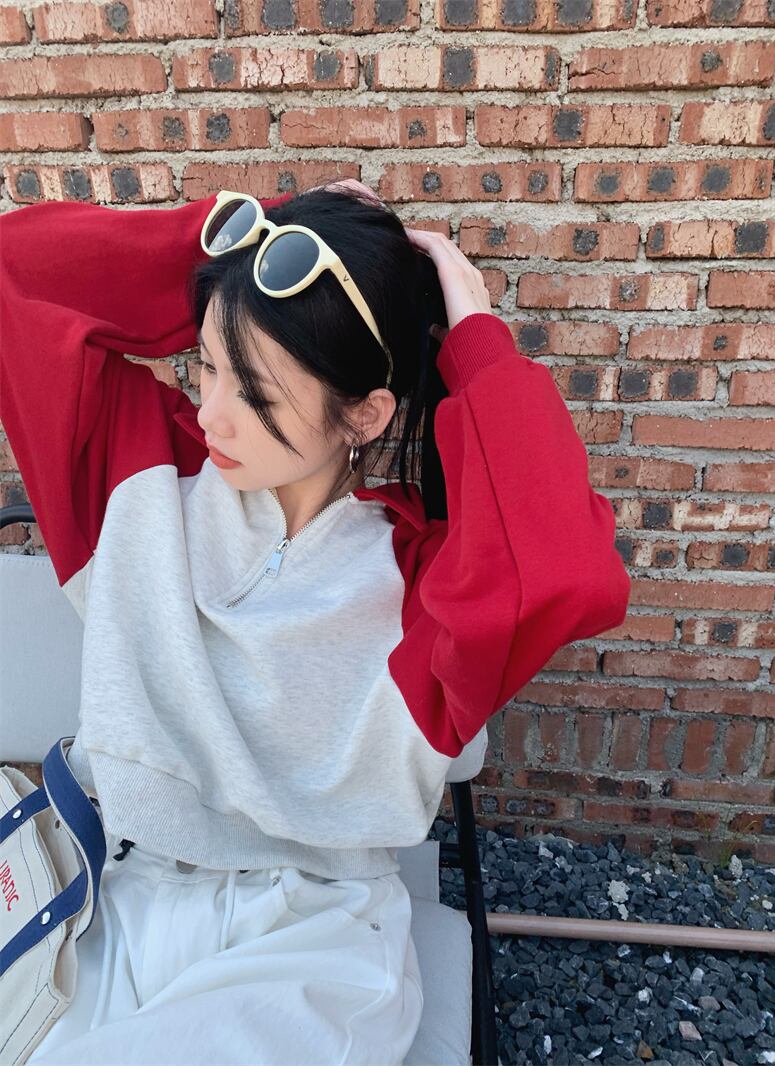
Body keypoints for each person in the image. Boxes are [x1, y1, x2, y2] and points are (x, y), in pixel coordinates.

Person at [0, 180, 631, 1065]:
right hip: (121, 901)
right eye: (205, 366)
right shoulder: (138, 479)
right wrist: (239, 234)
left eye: (254, 392)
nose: (212, 413)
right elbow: (14, 272)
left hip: (313, 944)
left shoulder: (426, 584)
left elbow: (564, 572)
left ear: (364, 414)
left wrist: (477, 345)